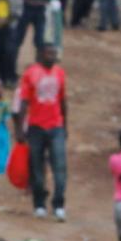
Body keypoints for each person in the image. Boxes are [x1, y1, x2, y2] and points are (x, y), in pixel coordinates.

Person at [16, 41, 71, 220]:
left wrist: (65, 126)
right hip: (36, 127)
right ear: (40, 55)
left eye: (54, 54)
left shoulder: (60, 73)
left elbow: (63, 101)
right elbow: (24, 102)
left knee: (60, 167)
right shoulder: (30, 73)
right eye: (48, 53)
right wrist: (19, 129)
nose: (52, 57)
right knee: (37, 167)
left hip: (56, 126)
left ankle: (59, 204)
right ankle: (39, 203)